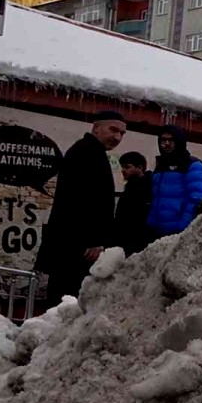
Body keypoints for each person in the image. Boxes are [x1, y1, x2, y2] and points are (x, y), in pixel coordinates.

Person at [34, 109, 127, 304]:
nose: (117, 137)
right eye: (113, 130)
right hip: (76, 246)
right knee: (66, 299)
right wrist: (93, 240)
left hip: (76, 244)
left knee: (65, 297)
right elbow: (80, 200)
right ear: (96, 128)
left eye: (122, 133)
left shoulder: (92, 151)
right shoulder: (86, 153)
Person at [147, 125, 202, 238]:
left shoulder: (192, 165)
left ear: (179, 141)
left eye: (171, 140)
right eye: (163, 140)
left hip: (178, 232)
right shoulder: (160, 166)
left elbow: (197, 199)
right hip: (156, 232)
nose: (166, 144)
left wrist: (183, 227)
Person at [113, 151, 154, 256]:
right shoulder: (132, 186)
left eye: (127, 167)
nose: (123, 170)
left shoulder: (145, 187)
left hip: (135, 241)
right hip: (126, 239)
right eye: (122, 167)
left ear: (139, 167)